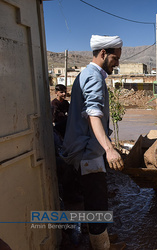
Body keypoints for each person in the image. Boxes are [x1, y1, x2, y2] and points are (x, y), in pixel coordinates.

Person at [62, 35, 125, 249]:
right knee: (97, 202)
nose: (117, 63)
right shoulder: (94, 77)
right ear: (103, 54)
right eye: (115, 58)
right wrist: (109, 149)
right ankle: (102, 246)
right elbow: (93, 114)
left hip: (87, 150)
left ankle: (101, 237)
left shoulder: (87, 74)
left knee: (94, 201)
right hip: (88, 153)